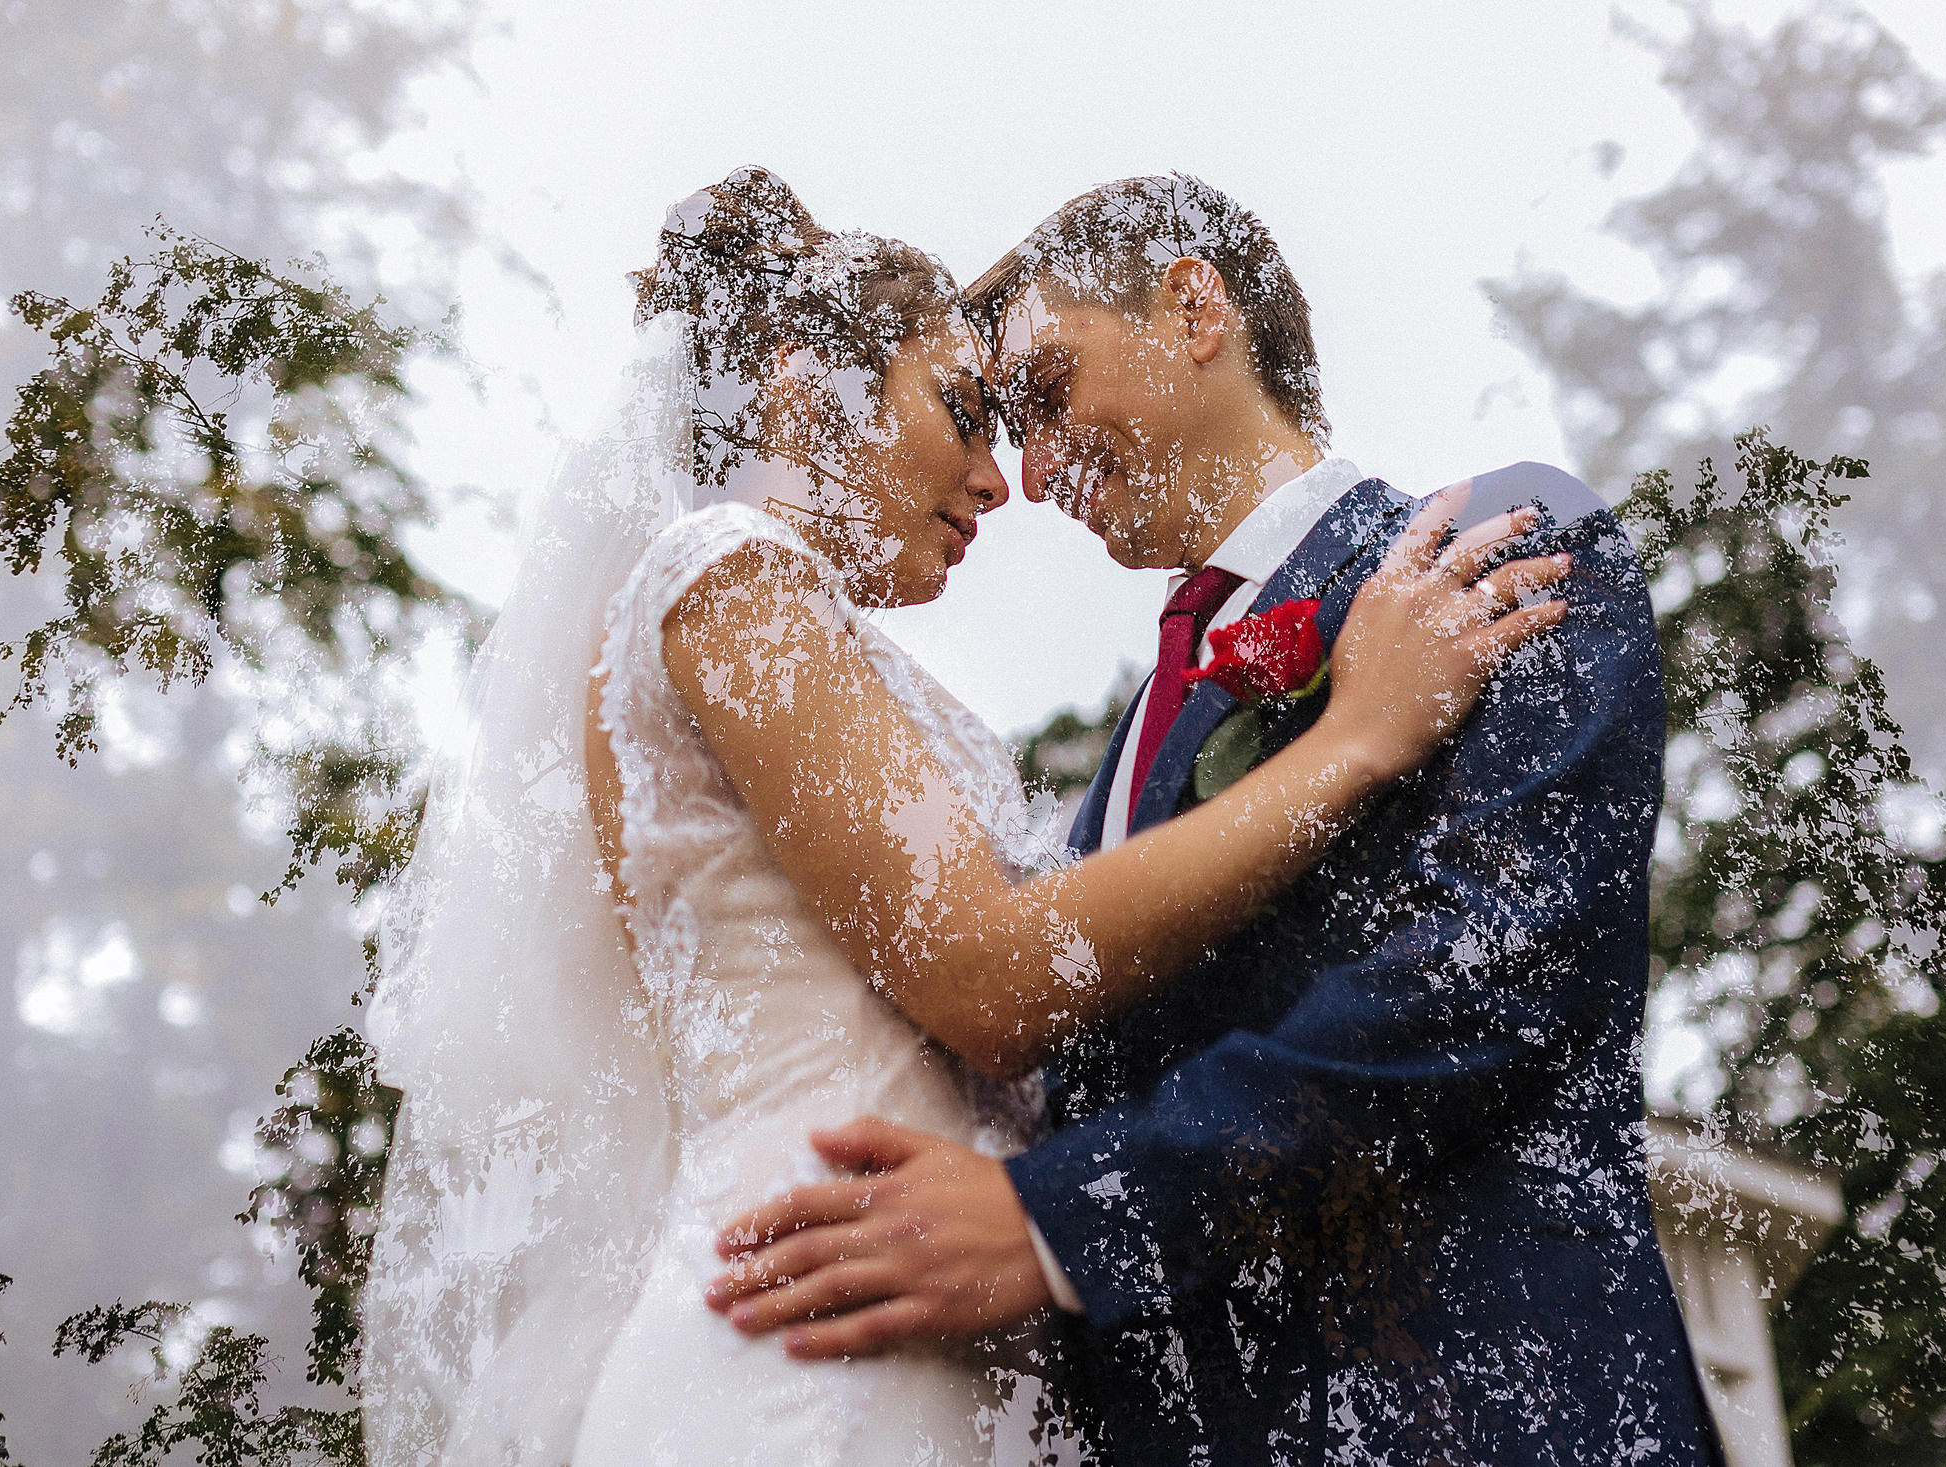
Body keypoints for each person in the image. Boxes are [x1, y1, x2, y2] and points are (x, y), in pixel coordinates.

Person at [361, 167, 1568, 1467]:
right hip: (820, 1345)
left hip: (887, 1311)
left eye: (1019, 419)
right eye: (966, 412)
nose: (1006, 482)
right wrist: (1354, 743)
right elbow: (991, 974)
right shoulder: (731, 575)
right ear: (798, 388)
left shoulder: (755, 617)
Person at [706, 175, 1726, 1466]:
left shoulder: (1498, 548)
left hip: (1478, 1409)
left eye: (1048, 389)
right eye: (1003, 427)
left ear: (1194, 307)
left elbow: (1487, 978)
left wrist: (1061, 1221)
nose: (1026, 470)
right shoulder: (1117, 755)